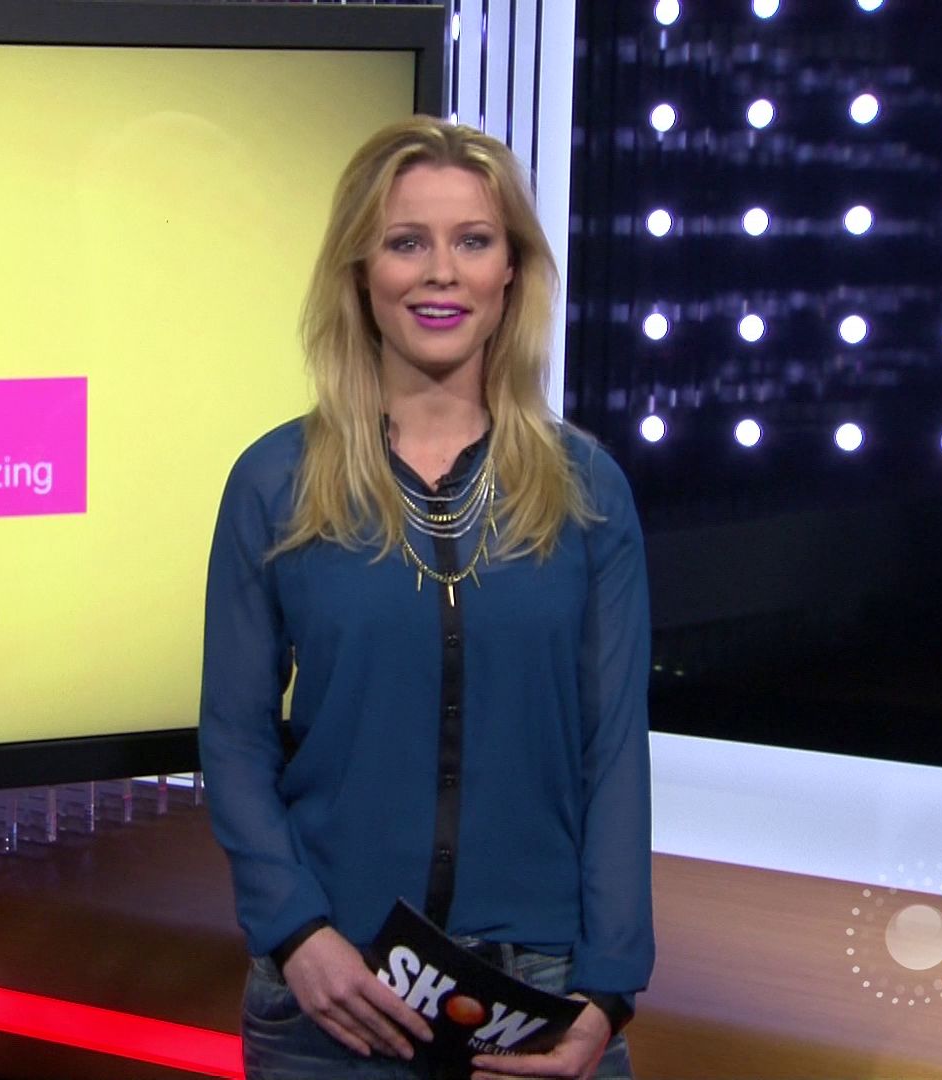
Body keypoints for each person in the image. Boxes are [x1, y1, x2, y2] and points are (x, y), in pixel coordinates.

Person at [199, 117, 653, 1080]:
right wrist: (295, 931)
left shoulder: (586, 489)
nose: (441, 273)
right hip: (334, 992)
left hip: (541, 994)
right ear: (361, 272)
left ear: (511, 273)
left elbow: (613, 748)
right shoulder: (276, 482)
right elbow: (234, 738)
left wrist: (607, 993)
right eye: (407, 242)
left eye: (472, 241)